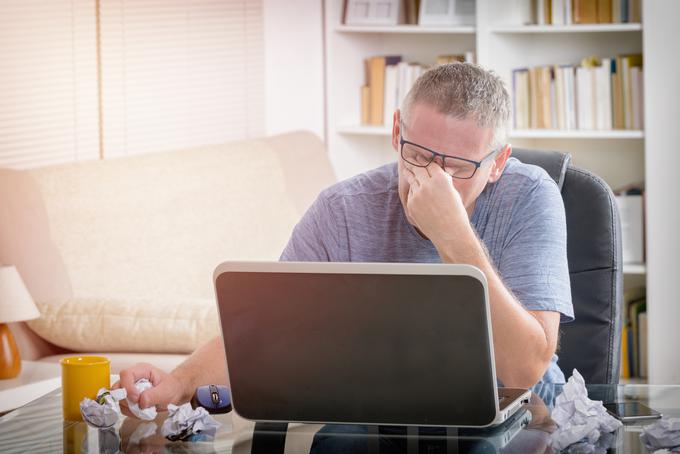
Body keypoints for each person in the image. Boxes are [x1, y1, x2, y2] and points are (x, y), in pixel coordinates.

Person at [116, 62, 573, 415]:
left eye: (457, 168)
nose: (433, 178)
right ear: (396, 132)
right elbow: (265, 331)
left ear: (496, 164)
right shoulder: (343, 209)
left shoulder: (531, 197)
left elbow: (523, 369)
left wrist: (453, 234)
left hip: (516, 417)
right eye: (418, 154)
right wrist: (176, 383)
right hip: (380, 415)